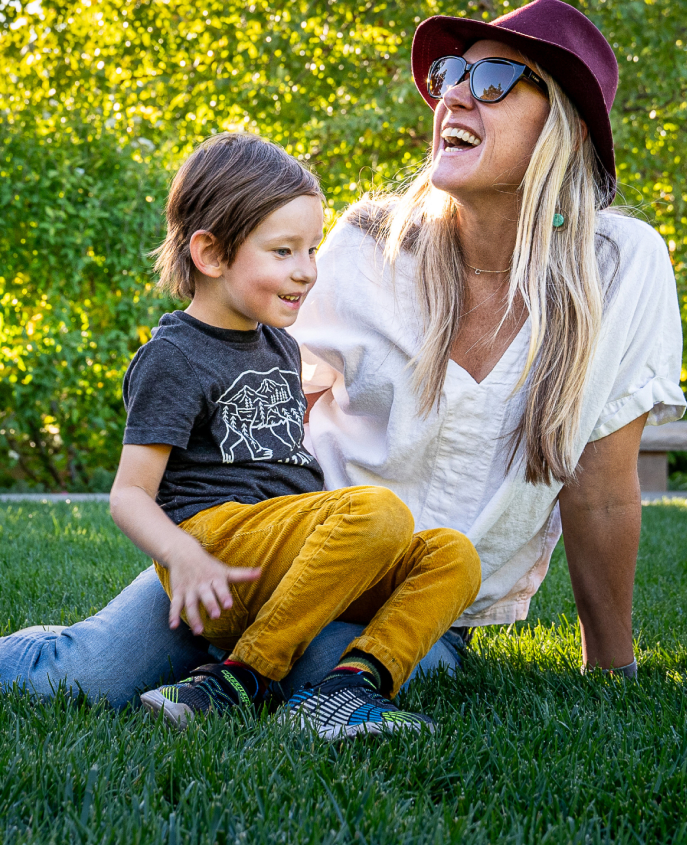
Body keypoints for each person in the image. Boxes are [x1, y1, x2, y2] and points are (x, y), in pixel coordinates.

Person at [0, 0, 683, 703]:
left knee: (338, 671)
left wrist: (612, 671)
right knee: (89, 677)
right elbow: (247, 378)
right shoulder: (366, 246)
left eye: (491, 80)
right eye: (448, 75)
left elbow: (604, 491)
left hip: (422, 600)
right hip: (281, 549)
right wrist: (210, 518)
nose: (454, 94)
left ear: (565, 126)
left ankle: (234, 671)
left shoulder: (622, 268)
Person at [110, 132, 480, 738]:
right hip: (215, 545)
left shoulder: (280, 345)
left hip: (286, 559)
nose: (307, 271)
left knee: (454, 556)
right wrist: (181, 555)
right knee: (378, 512)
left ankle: (349, 689)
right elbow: (129, 494)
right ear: (210, 253)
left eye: (311, 249)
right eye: (283, 251)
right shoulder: (173, 356)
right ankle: (241, 678)